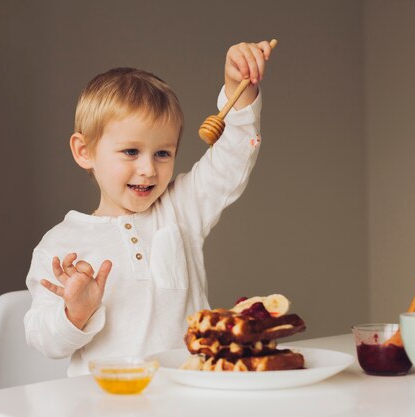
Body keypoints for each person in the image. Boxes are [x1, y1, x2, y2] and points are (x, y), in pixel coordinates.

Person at [25, 40, 274, 376]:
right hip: (103, 405)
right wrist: (75, 314)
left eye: (162, 153)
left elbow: (232, 158)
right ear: (85, 151)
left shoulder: (181, 208)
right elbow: (43, 340)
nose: (148, 169)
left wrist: (237, 88)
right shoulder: (59, 246)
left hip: (187, 397)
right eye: (130, 152)